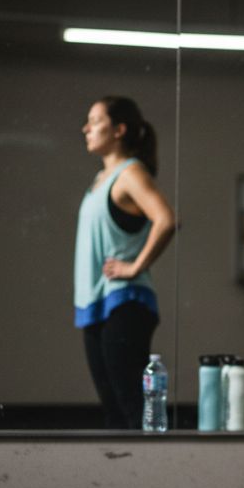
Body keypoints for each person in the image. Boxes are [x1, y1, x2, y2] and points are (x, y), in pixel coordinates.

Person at [73, 96, 176, 429]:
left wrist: (134, 267)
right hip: (96, 304)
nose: (86, 128)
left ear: (119, 130)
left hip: (125, 302)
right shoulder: (99, 181)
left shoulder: (130, 173)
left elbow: (165, 220)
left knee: (132, 409)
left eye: (95, 120)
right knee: (114, 413)